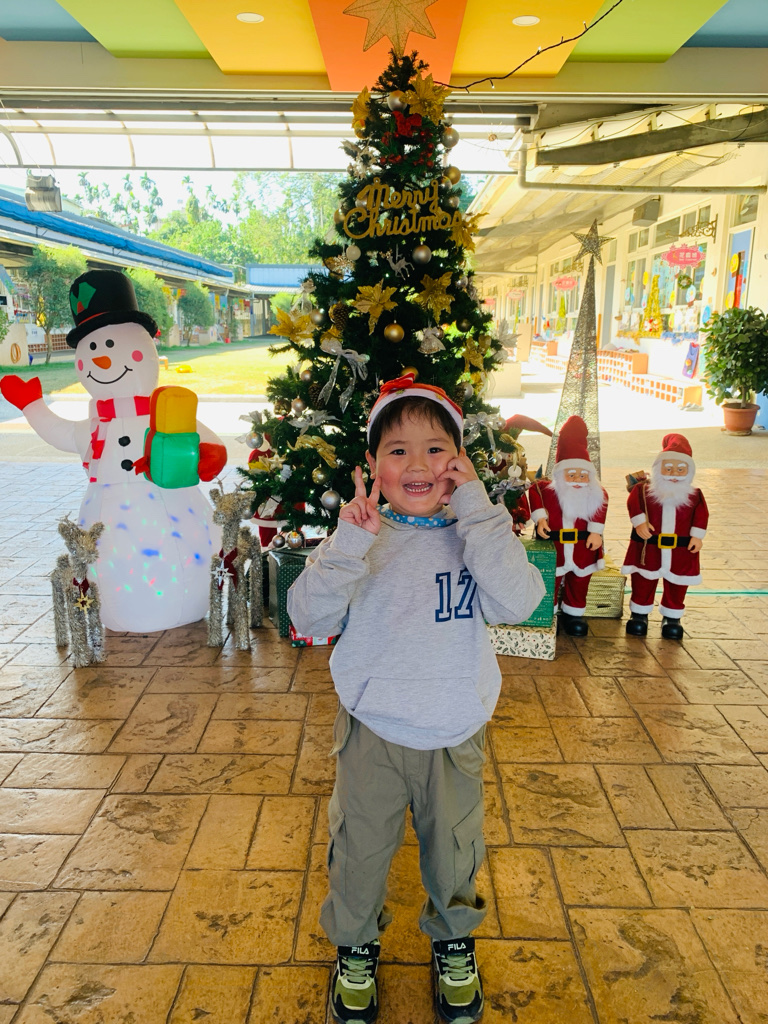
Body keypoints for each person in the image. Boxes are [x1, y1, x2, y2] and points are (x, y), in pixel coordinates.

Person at [287, 374, 544, 1024]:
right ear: (372, 464)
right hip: (372, 731)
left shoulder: (476, 532)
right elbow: (306, 616)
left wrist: (479, 512)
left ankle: (453, 940)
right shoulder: (360, 537)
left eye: (436, 448)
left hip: (454, 731)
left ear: (460, 461)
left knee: (455, 852)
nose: (418, 464)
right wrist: (348, 542)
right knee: (359, 851)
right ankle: (355, 946)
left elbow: (519, 602)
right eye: (397, 450)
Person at [527, 415, 608, 636]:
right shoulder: (547, 490)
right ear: (560, 474)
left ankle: (574, 614)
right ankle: (548, 611)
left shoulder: (595, 493)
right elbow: (534, 491)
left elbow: (601, 506)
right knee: (550, 580)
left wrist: (596, 532)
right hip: (556, 547)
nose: (578, 480)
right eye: (571, 475)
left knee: (580, 582)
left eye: (583, 475)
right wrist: (540, 518)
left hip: (583, 547)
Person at [622, 433, 708, 639]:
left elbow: (701, 514)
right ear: (658, 469)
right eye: (668, 469)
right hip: (648, 546)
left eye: (680, 469)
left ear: (689, 471)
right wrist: (639, 522)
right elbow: (634, 504)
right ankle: (639, 613)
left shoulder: (694, 495)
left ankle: (672, 616)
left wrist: (697, 536)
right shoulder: (644, 490)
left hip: (681, 548)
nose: (674, 474)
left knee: (678, 583)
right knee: (643, 579)